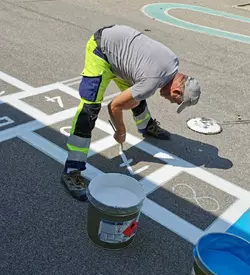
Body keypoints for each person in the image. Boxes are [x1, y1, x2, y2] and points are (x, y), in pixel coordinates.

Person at [61, 25, 201, 201]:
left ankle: (146, 125)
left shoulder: (173, 62)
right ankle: (72, 170)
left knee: (137, 94)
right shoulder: (152, 80)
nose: (170, 102)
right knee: (88, 112)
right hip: (101, 51)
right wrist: (120, 131)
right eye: (175, 101)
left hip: (119, 53)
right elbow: (114, 107)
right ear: (176, 92)